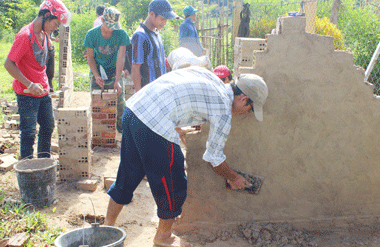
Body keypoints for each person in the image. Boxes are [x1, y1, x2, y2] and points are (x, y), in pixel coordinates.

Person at [104, 66, 268, 247]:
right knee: (173, 182)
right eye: (250, 109)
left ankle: (106, 229)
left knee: (129, 173)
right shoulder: (222, 110)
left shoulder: (212, 79)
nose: (247, 113)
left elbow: (177, 92)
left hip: (134, 111)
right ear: (243, 98)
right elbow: (213, 159)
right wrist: (233, 177)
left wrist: (178, 123)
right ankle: (163, 237)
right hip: (153, 123)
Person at [4, 0, 71, 159]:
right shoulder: (24, 36)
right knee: (29, 132)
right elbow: (8, 64)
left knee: (48, 126)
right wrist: (29, 83)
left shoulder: (45, 34)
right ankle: (28, 169)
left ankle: (43, 162)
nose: (55, 28)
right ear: (46, 15)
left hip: (43, 91)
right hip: (26, 93)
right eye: (55, 24)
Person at [83, 7, 131, 133]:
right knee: (97, 103)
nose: (111, 29)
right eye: (109, 26)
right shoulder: (92, 35)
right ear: (102, 20)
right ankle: (98, 132)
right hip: (97, 71)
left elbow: (121, 58)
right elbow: (90, 57)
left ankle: (123, 131)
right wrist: (96, 75)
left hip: (115, 71)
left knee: (120, 103)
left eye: (114, 26)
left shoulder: (121, 34)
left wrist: (117, 79)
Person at [131, 0, 179, 92]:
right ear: (152, 14)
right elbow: (136, 67)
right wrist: (139, 93)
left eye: (166, 20)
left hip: (159, 88)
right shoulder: (140, 36)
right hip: (148, 91)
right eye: (162, 19)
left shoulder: (156, 32)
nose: (164, 23)